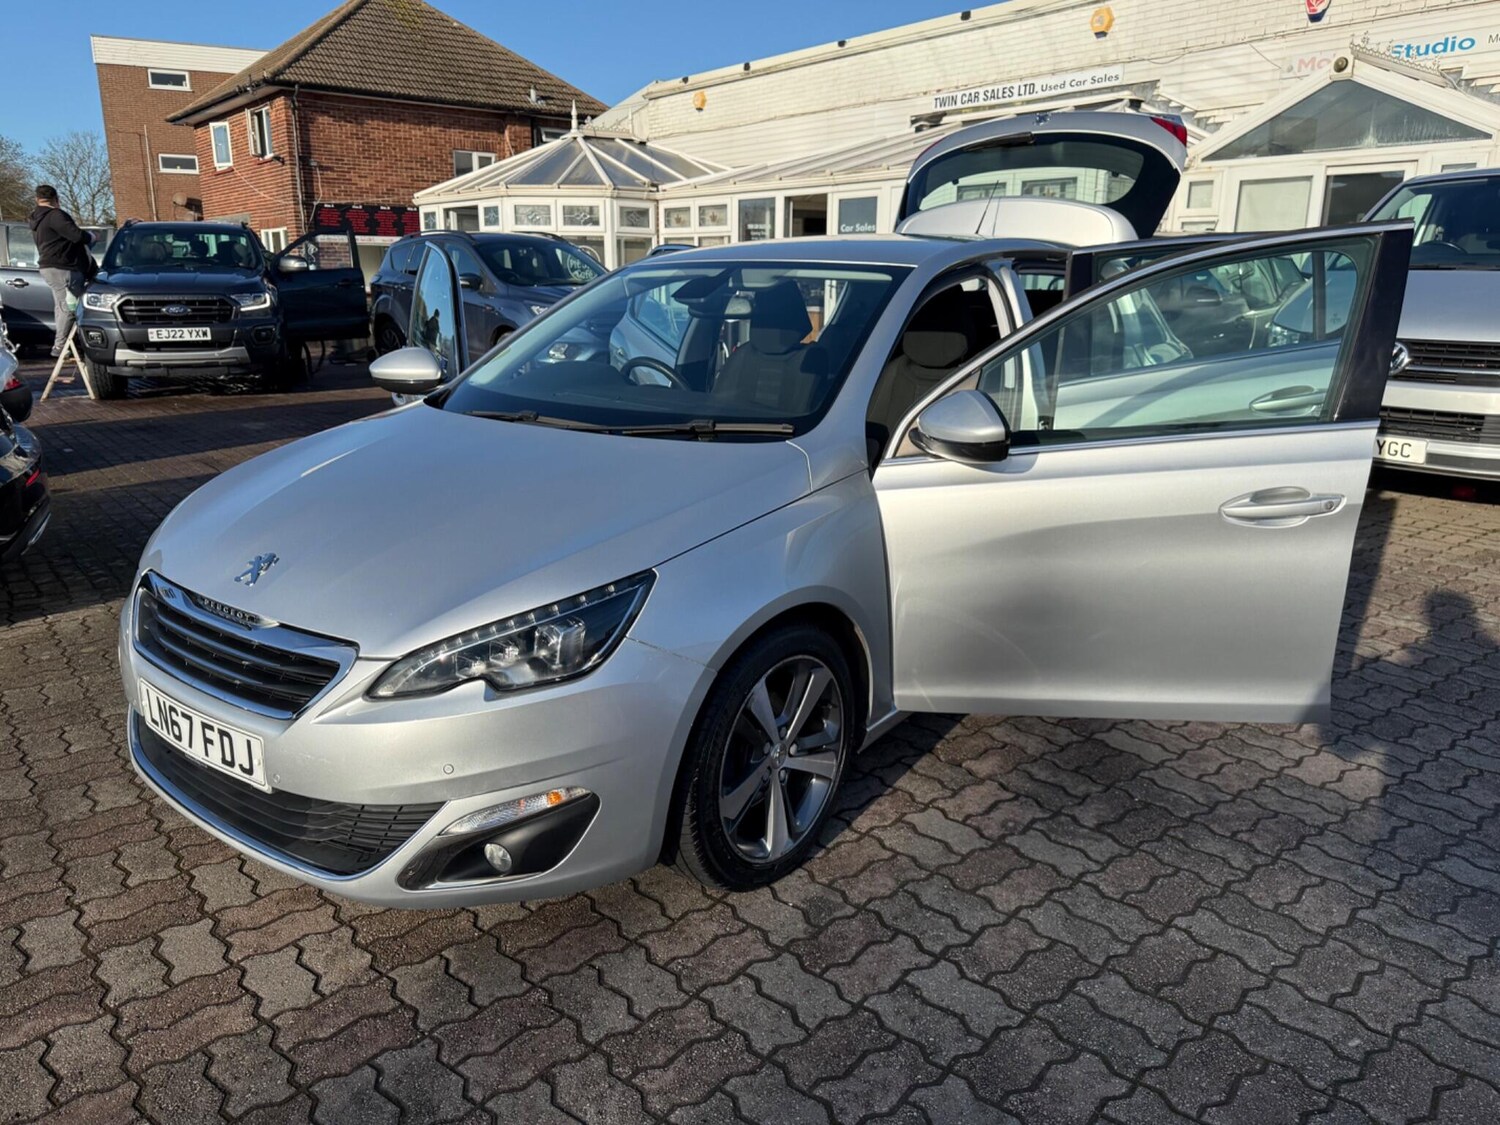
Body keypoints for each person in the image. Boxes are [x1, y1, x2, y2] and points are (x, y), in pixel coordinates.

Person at [28, 185, 95, 358]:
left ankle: (67, 343)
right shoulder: (55, 215)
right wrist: (92, 237)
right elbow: (76, 236)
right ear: (56, 199)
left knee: (62, 305)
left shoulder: (36, 218)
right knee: (68, 306)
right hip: (64, 267)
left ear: (37, 199)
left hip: (50, 267)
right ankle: (60, 346)